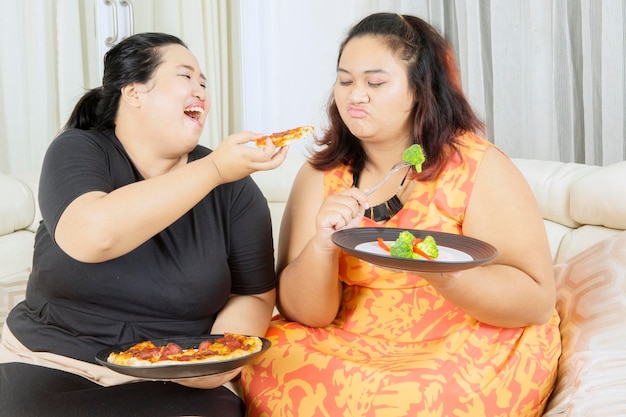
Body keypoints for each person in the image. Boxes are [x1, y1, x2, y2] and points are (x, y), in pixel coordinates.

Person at [242, 12, 561, 416]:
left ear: (419, 90)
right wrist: (322, 246)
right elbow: (306, 315)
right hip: (350, 341)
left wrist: (443, 274)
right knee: (272, 357)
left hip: (458, 339)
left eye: (375, 83)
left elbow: (535, 301)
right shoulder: (321, 175)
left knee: (423, 397)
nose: (355, 96)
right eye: (345, 81)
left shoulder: (477, 167)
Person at [0, 32, 288, 417]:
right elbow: (92, 235)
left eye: (204, 83)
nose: (201, 90)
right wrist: (215, 168)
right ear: (134, 92)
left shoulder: (234, 188)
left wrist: (211, 361)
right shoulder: (78, 149)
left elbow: (254, 294)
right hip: (51, 359)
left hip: (175, 378)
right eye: (186, 77)